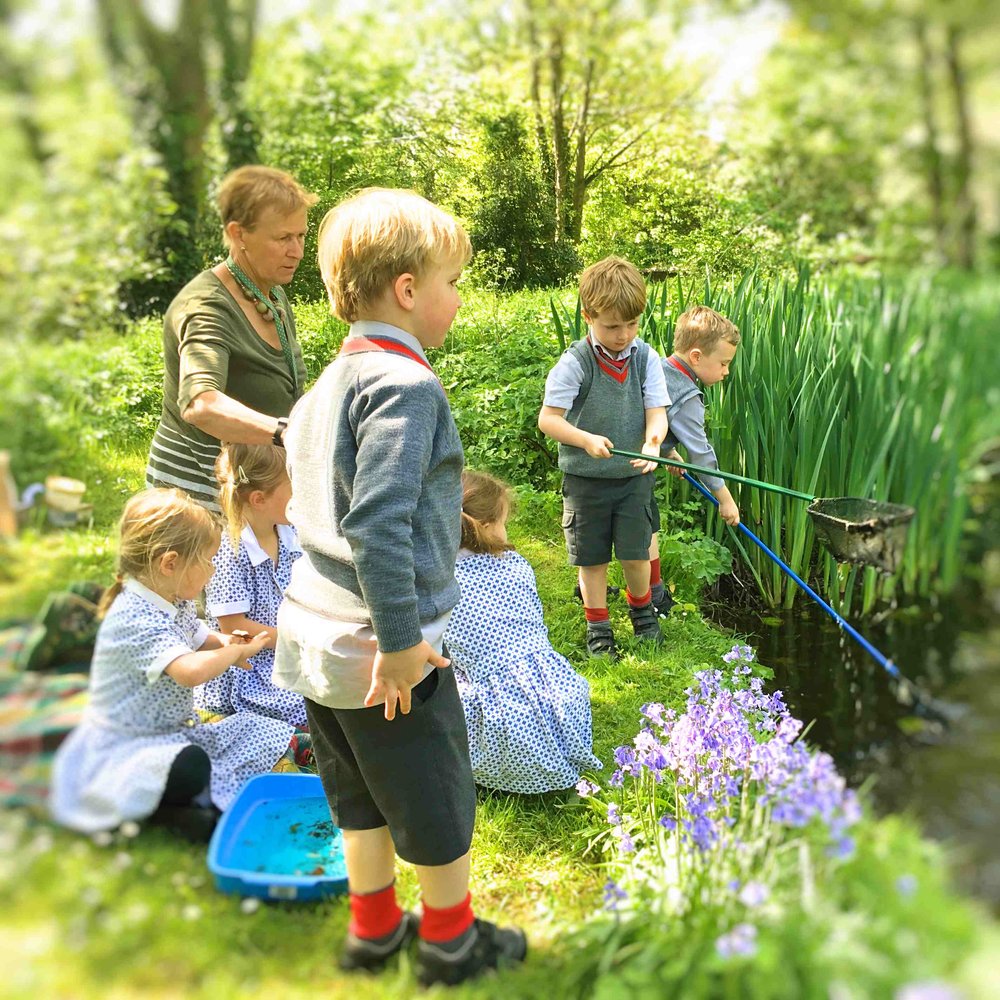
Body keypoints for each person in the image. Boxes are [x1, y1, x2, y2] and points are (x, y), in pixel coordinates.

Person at [273, 188, 527, 987]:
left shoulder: (323, 387)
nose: (458, 299)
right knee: (434, 793)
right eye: (453, 282)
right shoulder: (406, 388)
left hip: (313, 632)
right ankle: (451, 943)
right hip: (381, 644)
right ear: (409, 289)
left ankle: (374, 929)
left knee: (360, 795)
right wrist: (400, 644)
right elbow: (377, 525)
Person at [50, 488, 296, 843]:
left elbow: (201, 637)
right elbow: (189, 671)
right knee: (189, 765)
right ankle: (175, 814)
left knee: (250, 731)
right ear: (170, 563)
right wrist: (232, 656)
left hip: (171, 731)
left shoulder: (171, 599)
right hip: (126, 746)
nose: (213, 570)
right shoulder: (136, 616)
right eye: (207, 561)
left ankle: (191, 810)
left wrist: (231, 643)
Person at [146, 165, 318, 510]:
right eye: (283, 238)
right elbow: (201, 405)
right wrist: (286, 433)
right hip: (196, 500)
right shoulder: (207, 306)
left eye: (301, 236)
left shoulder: (269, 292)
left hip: (251, 488)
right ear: (238, 234)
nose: (297, 251)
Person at [537, 256, 670, 661]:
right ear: (588, 316)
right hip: (586, 482)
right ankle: (598, 626)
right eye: (612, 326)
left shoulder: (645, 358)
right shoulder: (575, 362)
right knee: (591, 558)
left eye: (631, 325)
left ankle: (643, 612)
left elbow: (657, 412)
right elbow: (548, 420)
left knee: (635, 552)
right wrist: (584, 439)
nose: (623, 334)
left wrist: (652, 443)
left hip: (633, 480)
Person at [444, 470, 602, 794]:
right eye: (503, 522)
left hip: (497, 710)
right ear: (486, 527)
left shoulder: (438, 581)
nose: (505, 529)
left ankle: (489, 772)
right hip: (556, 692)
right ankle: (553, 770)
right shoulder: (516, 565)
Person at [194, 443, 306, 728]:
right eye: (292, 489)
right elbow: (234, 628)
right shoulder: (230, 550)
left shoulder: (290, 534)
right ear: (259, 499)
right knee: (308, 703)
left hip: (290, 648)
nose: (300, 496)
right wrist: (297, 638)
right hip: (250, 663)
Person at [647, 305, 742, 613]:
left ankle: (649, 590)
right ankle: (653, 596)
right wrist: (725, 498)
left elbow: (648, 418)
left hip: (613, 457)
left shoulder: (657, 368)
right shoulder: (687, 395)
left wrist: (668, 451)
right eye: (724, 363)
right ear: (697, 356)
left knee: (640, 528)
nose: (726, 371)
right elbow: (701, 454)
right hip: (633, 469)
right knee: (645, 527)